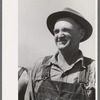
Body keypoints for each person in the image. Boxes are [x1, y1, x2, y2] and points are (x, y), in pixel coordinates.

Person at [19, 8, 96, 100]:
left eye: (66, 30)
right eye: (56, 31)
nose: (59, 35)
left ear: (81, 34)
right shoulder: (40, 66)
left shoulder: (93, 69)